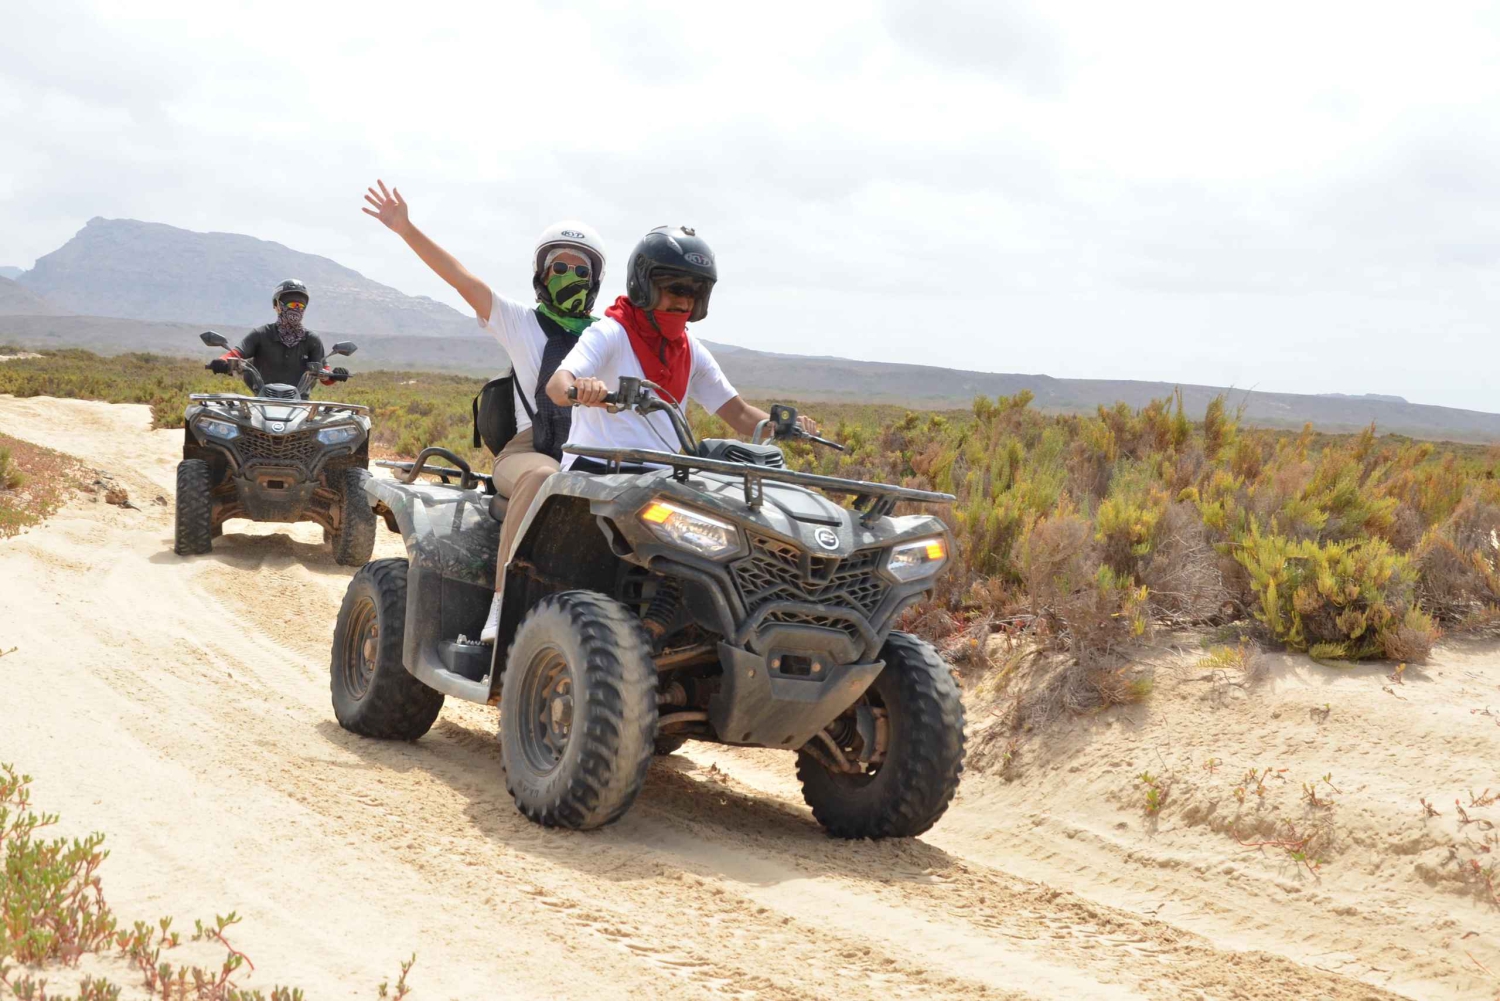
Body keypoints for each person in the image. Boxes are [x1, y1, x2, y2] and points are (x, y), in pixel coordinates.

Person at [362, 179, 607, 642]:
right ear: (541, 273)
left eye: (580, 269)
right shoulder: (521, 321)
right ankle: (502, 605)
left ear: (595, 280)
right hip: (531, 448)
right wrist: (405, 228)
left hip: (593, 453)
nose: (569, 276)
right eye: (559, 266)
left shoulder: (607, 336)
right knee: (541, 478)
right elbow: (460, 277)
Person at [546, 225, 818, 481]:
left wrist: (785, 428)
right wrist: (581, 388)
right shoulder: (611, 333)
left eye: (694, 292)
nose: (685, 301)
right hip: (592, 471)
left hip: (659, 480)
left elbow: (739, 414)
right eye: (674, 289)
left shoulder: (690, 350)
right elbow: (557, 386)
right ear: (643, 286)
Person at [209, 279, 342, 395]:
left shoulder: (312, 340)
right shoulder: (261, 334)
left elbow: (325, 375)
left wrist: (336, 374)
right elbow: (235, 354)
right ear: (276, 305)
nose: (296, 309)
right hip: (263, 400)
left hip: (300, 404)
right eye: (290, 305)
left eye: (300, 306)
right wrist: (222, 362)